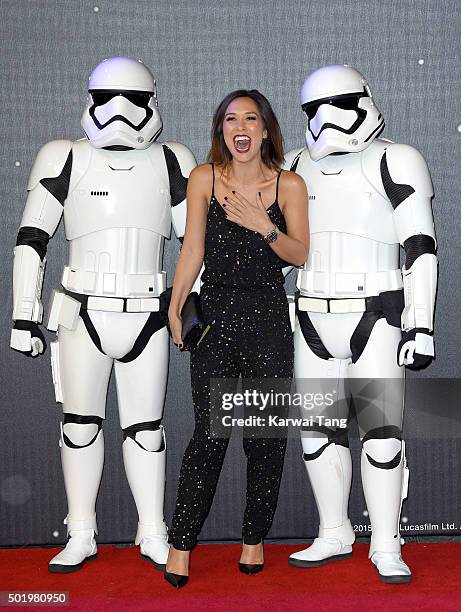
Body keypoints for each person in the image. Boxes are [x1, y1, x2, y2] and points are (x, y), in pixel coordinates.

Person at [10, 56, 196, 572]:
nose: (119, 112)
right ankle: (82, 530)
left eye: (133, 100)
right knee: (79, 424)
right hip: (81, 310)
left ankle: (152, 530)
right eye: (107, 98)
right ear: (89, 101)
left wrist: (194, 308)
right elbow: (32, 238)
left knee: (146, 430)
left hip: (147, 313)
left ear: (152, 104)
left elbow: (192, 244)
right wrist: (23, 313)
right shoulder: (65, 156)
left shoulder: (170, 160)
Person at [285, 64, 437, 583]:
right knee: (318, 431)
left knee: (381, 434)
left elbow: (419, 246)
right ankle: (334, 530)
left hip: (375, 312)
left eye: (340, 104)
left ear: (364, 101)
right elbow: (278, 249)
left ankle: (386, 542)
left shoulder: (396, 159)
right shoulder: (293, 165)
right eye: (315, 110)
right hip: (310, 313)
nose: (328, 120)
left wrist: (420, 323)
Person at [165, 89, 308, 587]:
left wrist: (260, 224)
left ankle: (254, 539)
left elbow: (299, 254)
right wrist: (176, 303)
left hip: (268, 317)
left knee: (265, 437)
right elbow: (192, 251)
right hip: (218, 318)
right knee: (210, 435)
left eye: (251, 118)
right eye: (231, 118)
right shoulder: (204, 178)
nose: (240, 126)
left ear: (265, 129)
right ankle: (181, 543)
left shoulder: (289, 184)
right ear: (221, 129)